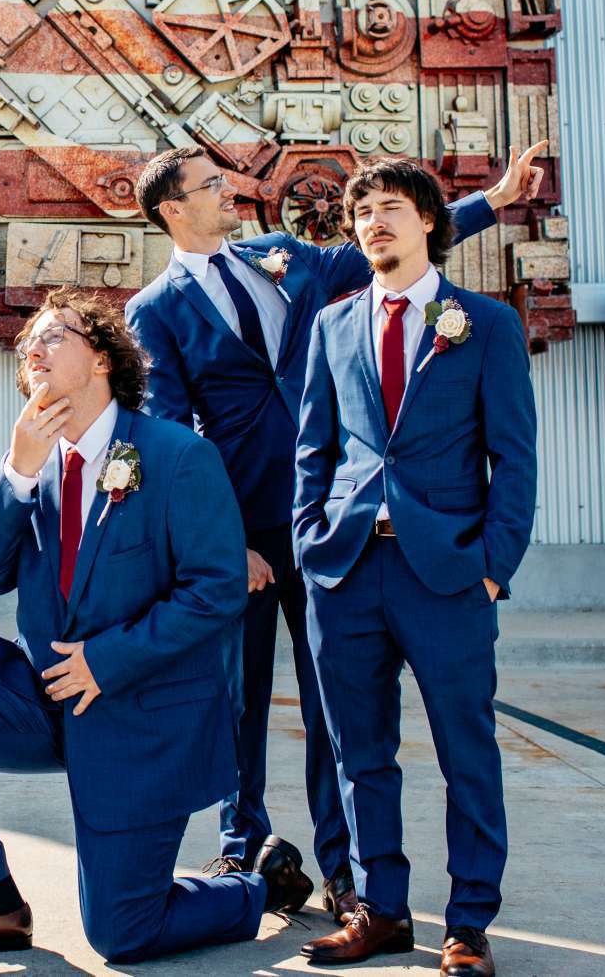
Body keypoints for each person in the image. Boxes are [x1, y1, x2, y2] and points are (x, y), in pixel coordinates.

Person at [122, 142, 545, 911]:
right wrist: (221, 545)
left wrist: (498, 197)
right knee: (239, 696)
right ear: (173, 209)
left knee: (337, 713)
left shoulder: (285, 256)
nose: (230, 191)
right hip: (242, 533)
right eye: (211, 185)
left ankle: (343, 872)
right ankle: (239, 843)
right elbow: (170, 438)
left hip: (331, 531)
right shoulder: (155, 311)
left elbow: (390, 247)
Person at [0, 290, 305, 963]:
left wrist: (106, 660)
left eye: (55, 335)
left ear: (103, 359)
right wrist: (16, 471)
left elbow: (218, 588)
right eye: (29, 345)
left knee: (121, 933)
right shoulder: (35, 460)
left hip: (139, 713)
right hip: (42, 696)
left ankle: (256, 885)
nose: (35, 349)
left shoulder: (177, 455)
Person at [292, 158, 538, 976]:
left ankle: (468, 922)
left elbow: (515, 458)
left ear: (429, 220)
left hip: (448, 574)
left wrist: (494, 568)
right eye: (363, 213)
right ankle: (381, 911)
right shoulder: (333, 324)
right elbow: (314, 449)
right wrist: (309, 540)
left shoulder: (486, 324)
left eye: (391, 208)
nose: (374, 224)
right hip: (347, 569)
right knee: (358, 751)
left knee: (466, 750)